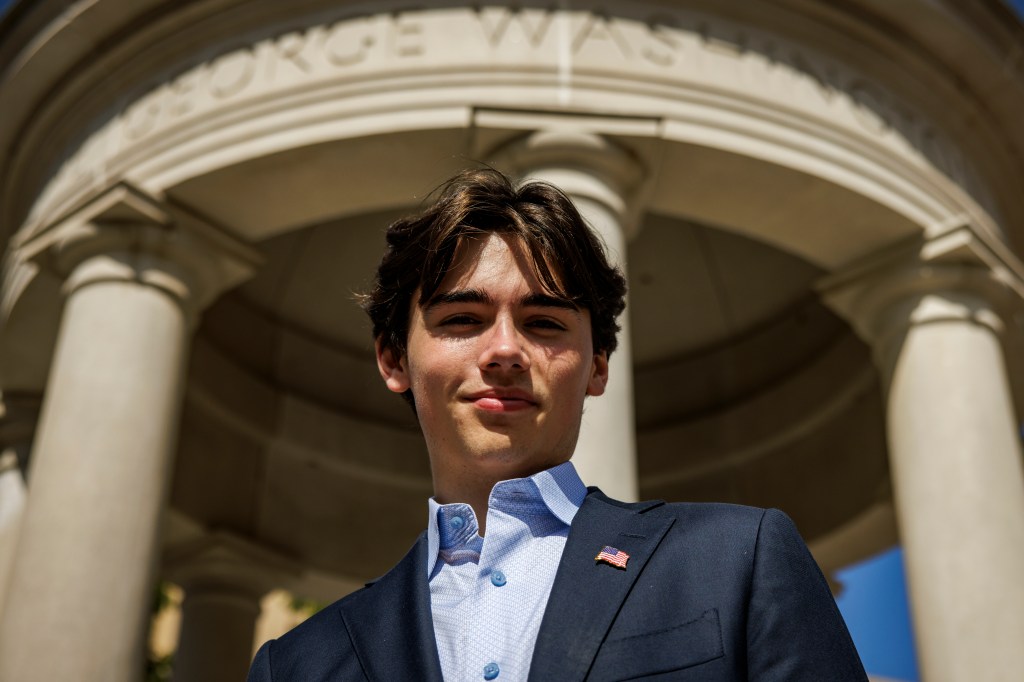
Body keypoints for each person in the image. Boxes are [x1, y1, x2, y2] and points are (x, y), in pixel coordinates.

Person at [246, 168, 868, 681]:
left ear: (597, 365)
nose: (504, 350)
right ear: (393, 358)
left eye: (544, 323)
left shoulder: (736, 560)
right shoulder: (298, 665)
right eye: (462, 318)